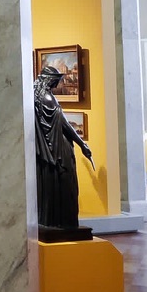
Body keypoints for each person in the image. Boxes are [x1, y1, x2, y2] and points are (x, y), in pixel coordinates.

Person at [33, 65, 92, 240]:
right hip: (59, 150)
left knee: (52, 187)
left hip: (48, 151)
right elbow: (64, 124)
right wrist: (82, 144)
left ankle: (50, 218)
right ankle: (63, 222)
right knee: (67, 185)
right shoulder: (47, 98)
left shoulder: (36, 96)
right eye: (57, 80)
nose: (59, 83)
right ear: (50, 80)